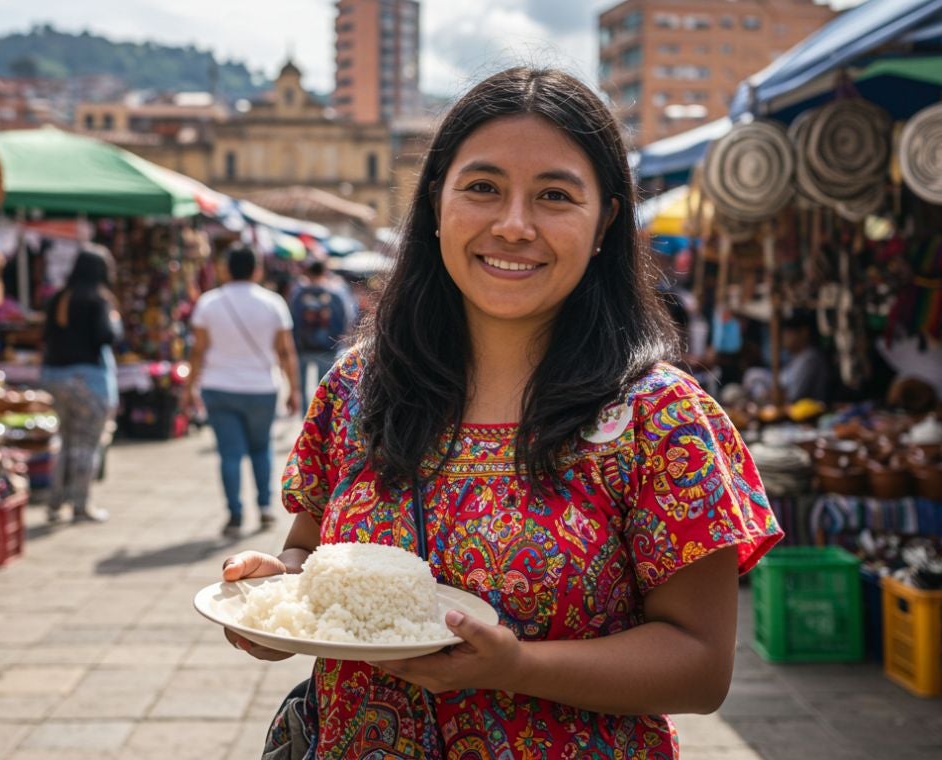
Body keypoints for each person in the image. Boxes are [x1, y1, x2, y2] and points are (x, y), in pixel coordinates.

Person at [220, 67, 782, 758]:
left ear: (605, 219)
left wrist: (517, 667)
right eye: (483, 188)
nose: (514, 226)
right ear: (435, 203)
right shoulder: (358, 387)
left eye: (554, 195)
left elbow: (700, 667)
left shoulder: (660, 418)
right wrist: (278, 593)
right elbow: (308, 550)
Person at [185, 245, 302, 538]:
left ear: (225, 269)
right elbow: (286, 351)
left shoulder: (209, 303)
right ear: (257, 269)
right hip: (262, 388)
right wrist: (294, 390)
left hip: (218, 386)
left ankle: (235, 514)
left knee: (230, 454)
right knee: (261, 449)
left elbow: (198, 351)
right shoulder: (273, 303)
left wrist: (189, 388)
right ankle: (264, 508)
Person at [40, 244, 120, 524]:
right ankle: (80, 504)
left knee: (66, 442)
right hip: (88, 381)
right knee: (86, 445)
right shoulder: (97, 300)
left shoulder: (60, 297)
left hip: (55, 379)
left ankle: (55, 502)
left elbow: (46, 337)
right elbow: (106, 337)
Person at [290, 259, 351, 396]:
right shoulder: (335, 294)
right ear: (324, 272)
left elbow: (293, 319)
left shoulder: (299, 294)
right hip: (327, 347)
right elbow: (344, 318)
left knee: (302, 387)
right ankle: (320, 416)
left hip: (303, 346)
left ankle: (305, 415)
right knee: (325, 389)